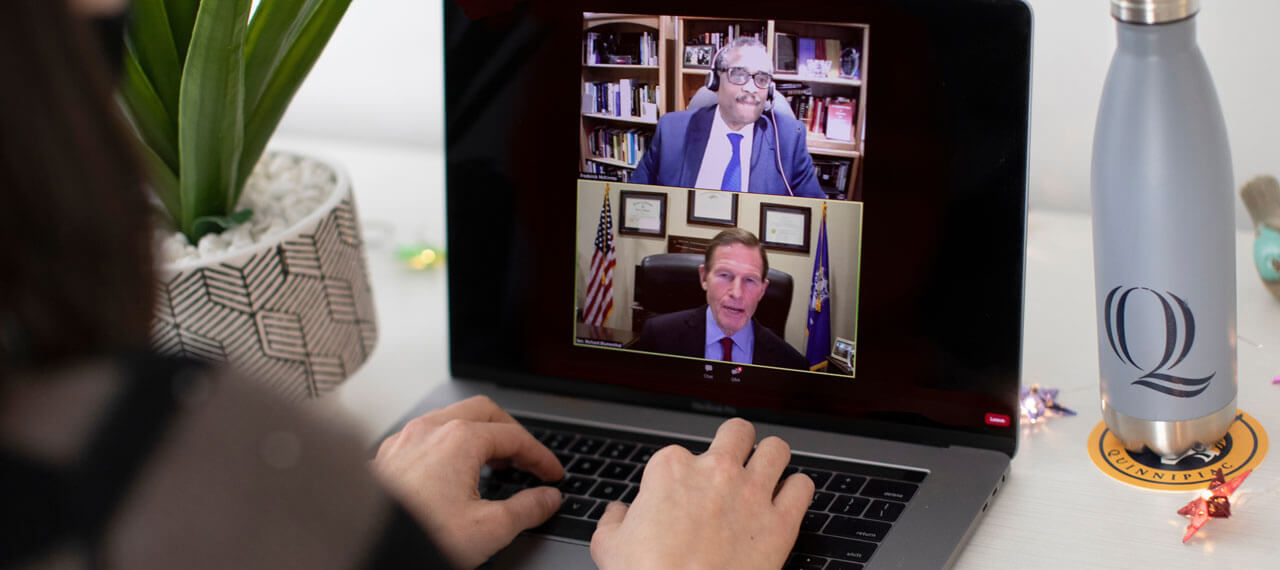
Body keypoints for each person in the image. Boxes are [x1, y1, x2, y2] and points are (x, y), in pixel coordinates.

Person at [0, 1, 815, 568]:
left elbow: (808, 197)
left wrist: (383, 535)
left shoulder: (788, 140)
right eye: (739, 79)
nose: (753, 93)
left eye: (764, 84)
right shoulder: (156, 463)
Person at [630, 37, 825, 199]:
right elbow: (635, 198)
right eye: (738, 74)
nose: (751, 88)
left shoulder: (789, 139)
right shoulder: (672, 130)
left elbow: (815, 215)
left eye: (762, 79)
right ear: (714, 81)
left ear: (770, 90)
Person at [631, 229, 808, 370]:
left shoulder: (790, 364)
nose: (737, 293)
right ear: (704, 277)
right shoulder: (658, 338)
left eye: (749, 280)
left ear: (763, 290)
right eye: (724, 275)